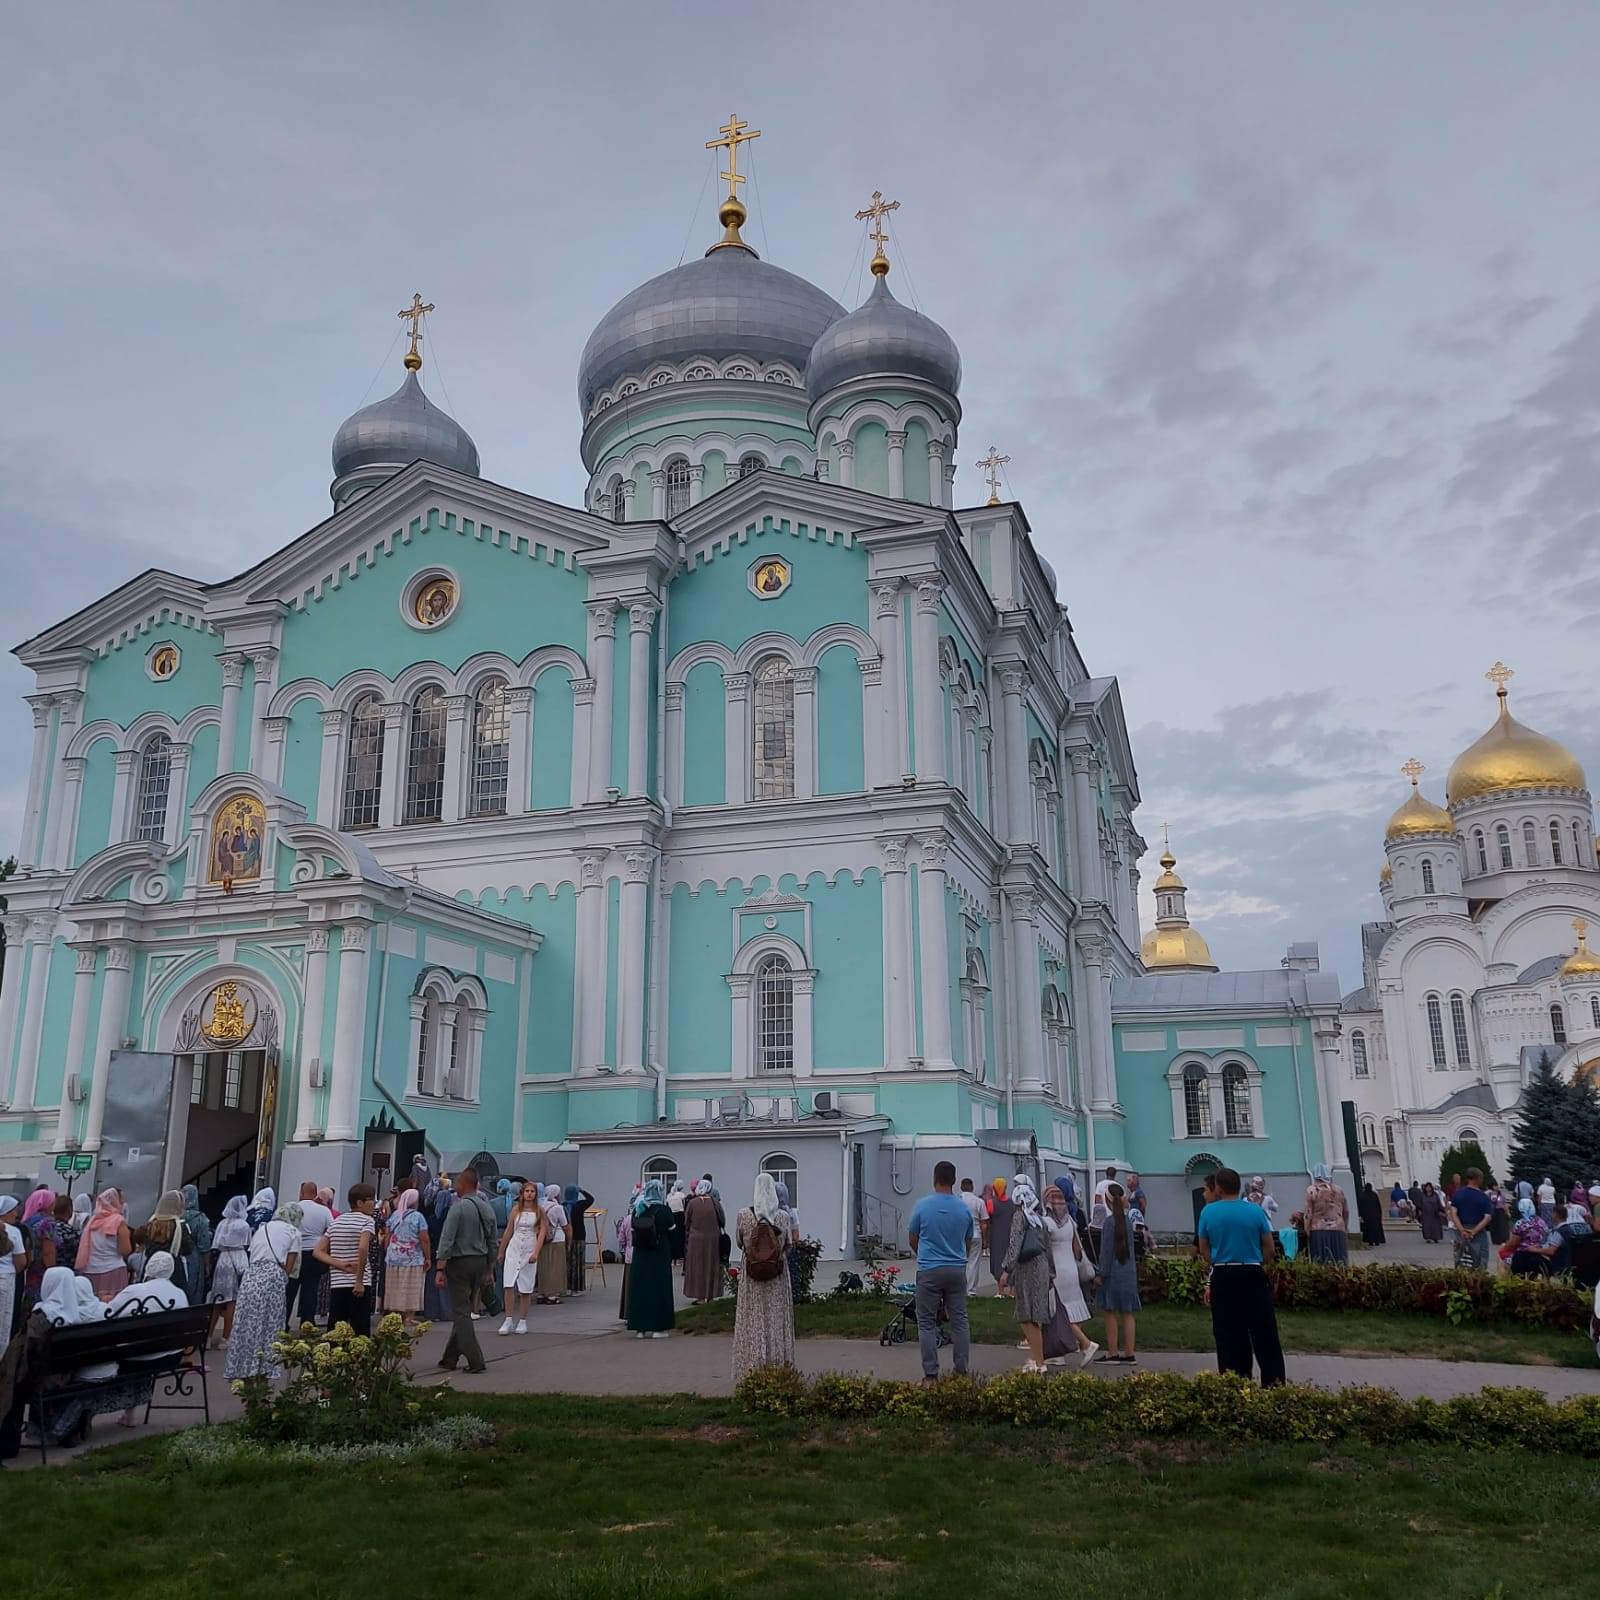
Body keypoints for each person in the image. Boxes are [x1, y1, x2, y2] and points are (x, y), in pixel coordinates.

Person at [1196, 1166, 1286, 1386]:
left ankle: (1235, 1382)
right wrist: (1258, 1262)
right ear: (1238, 1187)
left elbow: (1204, 1248)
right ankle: (1273, 1383)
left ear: (1218, 1188)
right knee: (1263, 1330)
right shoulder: (1254, 1211)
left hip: (1224, 1274)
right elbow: (1270, 1249)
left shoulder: (1208, 1212)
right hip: (1252, 1271)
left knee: (1227, 1332)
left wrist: (1215, 1261)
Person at [907, 1161, 973, 1382]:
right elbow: (968, 1240)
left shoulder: (922, 1206)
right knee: (959, 1320)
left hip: (929, 1269)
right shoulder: (963, 1207)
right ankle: (961, 1371)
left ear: (935, 1178)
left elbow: (913, 1238)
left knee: (925, 1322)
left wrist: (924, 1255)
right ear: (954, 1180)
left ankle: (931, 1375)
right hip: (956, 1269)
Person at [224, 1201, 301, 1382]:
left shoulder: (262, 1228)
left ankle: (242, 1366)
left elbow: (253, 1253)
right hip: (273, 1276)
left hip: (251, 1276)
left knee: (247, 1322)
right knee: (270, 1324)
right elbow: (289, 1265)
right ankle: (264, 1368)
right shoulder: (293, 1232)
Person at [434, 1167, 497, 1374]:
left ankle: (476, 1360)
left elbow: (447, 1239)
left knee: (461, 1312)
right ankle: (449, 1358)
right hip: (480, 1263)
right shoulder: (486, 1207)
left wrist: (440, 1268)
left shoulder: (458, 1208)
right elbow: (492, 1240)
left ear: (463, 1184)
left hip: (459, 1263)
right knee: (465, 1309)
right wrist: (490, 1268)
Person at [732, 1173, 795, 1381]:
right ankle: (777, 1366)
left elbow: (741, 1243)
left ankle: (751, 1366)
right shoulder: (782, 1217)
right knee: (776, 1320)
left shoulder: (743, 1214)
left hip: (752, 1276)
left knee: (753, 1318)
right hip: (776, 1275)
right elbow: (788, 1245)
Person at [999, 1174, 1052, 1373]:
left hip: (1026, 1268)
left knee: (1026, 1315)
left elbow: (1014, 1245)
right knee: (1035, 1314)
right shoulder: (1040, 1219)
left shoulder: (1019, 1217)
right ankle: (1039, 1360)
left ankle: (1039, 1362)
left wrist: (1006, 1270)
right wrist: (1051, 1273)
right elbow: (1048, 1248)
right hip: (1042, 1267)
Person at [1042, 1182, 1099, 1367]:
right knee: (1073, 1309)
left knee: (1060, 1312)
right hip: (1072, 1269)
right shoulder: (1070, 1222)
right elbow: (1076, 1248)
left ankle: (1086, 1344)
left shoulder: (1047, 1223)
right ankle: (1060, 1352)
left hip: (1057, 1272)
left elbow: (1043, 1249)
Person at [319, 1184, 377, 1335]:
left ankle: (334, 1357)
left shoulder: (336, 1221)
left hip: (338, 1281)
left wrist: (339, 1264)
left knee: (337, 1327)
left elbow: (318, 1251)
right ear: (360, 1203)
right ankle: (359, 1358)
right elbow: (363, 1248)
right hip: (359, 1282)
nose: (375, 1203)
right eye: (371, 1200)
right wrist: (359, 1280)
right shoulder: (367, 1221)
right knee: (360, 1328)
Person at [1095, 1182, 1141, 1364]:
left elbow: (1106, 1253)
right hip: (1128, 1272)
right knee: (1128, 1313)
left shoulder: (1108, 1223)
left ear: (1107, 1200)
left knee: (1110, 1311)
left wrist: (1100, 1274)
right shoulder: (1128, 1222)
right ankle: (1130, 1353)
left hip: (1112, 1274)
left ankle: (1112, 1353)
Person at [625, 1178, 675, 1337]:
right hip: (659, 1253)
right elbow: (673, 1230)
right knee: (659, 1289)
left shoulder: (638, 1209)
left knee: (640, 1289)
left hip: (640, 1254)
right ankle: (657, 1328)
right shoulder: (664, 1210)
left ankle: (640, 1328)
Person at [497, 1181, 544, 1333]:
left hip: (529, 1247)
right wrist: (502, 1251)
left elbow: (542, 1232)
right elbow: (509, 1231)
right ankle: (508, 1319)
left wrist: (536, 1252)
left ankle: (523, 1320)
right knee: (509, 1284)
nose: (529, 1193)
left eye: (532, 1191)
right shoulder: (516, 1210)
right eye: (527, 1191)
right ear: (522, 1193)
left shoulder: (539, 1211)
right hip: (515, 1247)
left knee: (525, 1287)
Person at [382, 1186, 432, 1326]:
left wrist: (388, 1250)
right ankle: (409, 1316)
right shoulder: (418, 1217)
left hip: (394, 1255)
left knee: (395, 1286)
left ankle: (396, 1315)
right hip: (412, 1257)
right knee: (412, 1286)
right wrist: (428, 1257)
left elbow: (388, 1234)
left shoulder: (395, 1215)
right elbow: (424, 1238)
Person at [207, 1194, 250, 1347]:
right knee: (232, 1300)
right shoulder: (243, 1225)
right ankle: (226, 1337)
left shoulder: (222, 1223)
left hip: (223, 1259)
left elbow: (216, 1244)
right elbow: (246, 1244)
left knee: (217, 1299)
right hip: (237, 1258)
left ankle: (208, 1336)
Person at [75, 1188, 133, 1299]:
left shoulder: (93, 1220)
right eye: (121, 1200)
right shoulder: (119, 1221)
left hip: (90, 1269)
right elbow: (125, 1250)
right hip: (113, 1270)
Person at [291, 1181, 334, 1326]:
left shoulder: (292, 1208)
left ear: (301, 1193)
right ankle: (307, 1323)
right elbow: (331, 1230)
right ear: (316, 1194)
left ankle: (283, 1323)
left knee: (290, 1290)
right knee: (310, 1290)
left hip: (294, 1252)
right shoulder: (323, 1211)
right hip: (314, 1253)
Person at [683, 1180, 723, 1303]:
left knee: (698, 1266)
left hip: (696, 1239)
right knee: (711, 1266)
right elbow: (722, 1220)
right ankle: (710, 1296)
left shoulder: (692, 1203)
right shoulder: (715, 1202)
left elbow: (686, 1221)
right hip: (713, 1239)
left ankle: (699, 1295)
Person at [1448, 1167, 1495, 1271]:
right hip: (1478, 1232)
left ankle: (1461, 1281)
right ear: (1478, 1179)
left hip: (1461, 1231)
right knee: (1480, 1259)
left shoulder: (1458, 1194)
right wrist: (1474, 1231)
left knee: (1461, 1258)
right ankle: (1479, 1281)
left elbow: (1453, 1213)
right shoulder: (1483, 1197)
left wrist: (1461, 1230)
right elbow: (1487, 1218)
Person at [1303, 1166, 1349, 1264]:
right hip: (1338, 1229)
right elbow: (1346, 1211)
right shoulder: (1339, 1190)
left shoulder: (1312, 1190)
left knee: (1321, 1261)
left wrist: (1306, 1230)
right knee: (1339, 1261)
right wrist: (1345, 1227)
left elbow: (1308, 1213)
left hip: (1318, 1230)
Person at [536, 1185, 569, 1305]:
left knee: (544, 1267)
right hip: (557, 1239)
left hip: (542, 1239)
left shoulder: (540, 1206)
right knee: (555, 1268)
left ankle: (541, 1293)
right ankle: (552, 1295)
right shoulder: (558, 1208)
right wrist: (569, 1241)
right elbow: (565, 1225)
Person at [0, 1197, 25, 1342]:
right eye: (13, 1211)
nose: (16, 1214)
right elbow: (21, 1262)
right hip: (6, 1278)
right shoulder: (13, 1231)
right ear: (6, 1212)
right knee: (3, 1321)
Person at [564, 1184, 595, 1295]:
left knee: (568, 1263)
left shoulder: (563, 1206)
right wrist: (582, 1190)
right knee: (578, 1263)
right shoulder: (579, 1205)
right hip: (579, 1236)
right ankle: (575, 1289)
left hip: (566, 1238)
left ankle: (565, 1286)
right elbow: (591, 1199)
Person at [958, 1177, 988, 1294]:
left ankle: (959, 1288)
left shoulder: (957, 1200)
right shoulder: (979, 1201)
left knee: (960, 1262)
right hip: (976, 1234)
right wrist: (985, 1239)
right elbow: (984, 1223)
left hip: (960, 1235)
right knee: (973, 1263)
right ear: (972, 1187)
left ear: (961, 1187)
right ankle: (971, 1291)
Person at [987, 1177, 1015, 1294]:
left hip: (996, 1235)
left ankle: (1000, 1290)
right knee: (1011, 1258)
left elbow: (988, 1218)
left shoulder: (990, 1203)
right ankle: (1012, 1290)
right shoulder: (1012, 1203)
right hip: (1010, 1234)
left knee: (997, 1259)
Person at [666, 1179, 688, 1268]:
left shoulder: (669, 1196)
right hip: (680, 1216)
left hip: (671, 1215)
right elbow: (684, 1206)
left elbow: (667, 1205)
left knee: (672, 1236)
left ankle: (672, 1258)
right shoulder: (682, 1195)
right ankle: (678, 1258)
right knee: (680, 1237)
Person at [1358, 1182, 1386, 1247]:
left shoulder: (1362, 1196)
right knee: (1376, 1228)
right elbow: (1378, 1205)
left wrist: (1361, 1215)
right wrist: (1380, 1214)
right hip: (1375, 1215)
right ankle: (1377, 1241)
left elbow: (1360, 1206)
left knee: (1368, 1229)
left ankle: (1370, 1241)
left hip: (1367, 1216)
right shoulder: (1374, 1195)